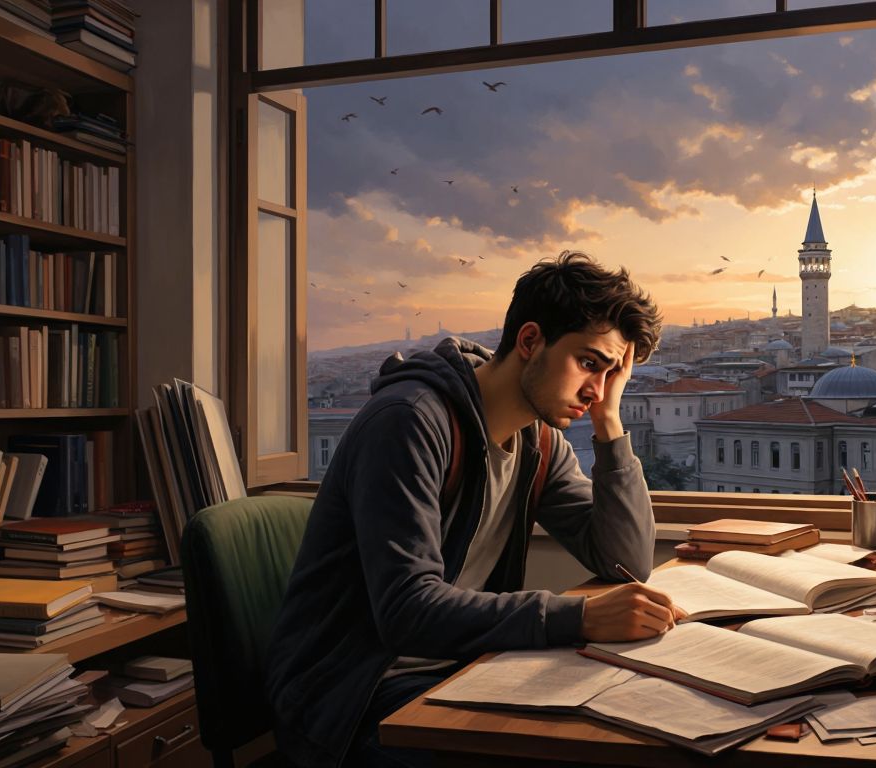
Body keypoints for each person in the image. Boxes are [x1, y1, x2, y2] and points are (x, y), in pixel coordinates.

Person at [266, 252, 686, 767]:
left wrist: (610, 422)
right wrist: (577, 616)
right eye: (588, 363)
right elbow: (407, 611)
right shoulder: (410, 421)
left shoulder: (540, 444)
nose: (594, 389)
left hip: (456, 669)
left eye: (609, 374)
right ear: (530, 342)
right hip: (350, 699)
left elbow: (625, 561)